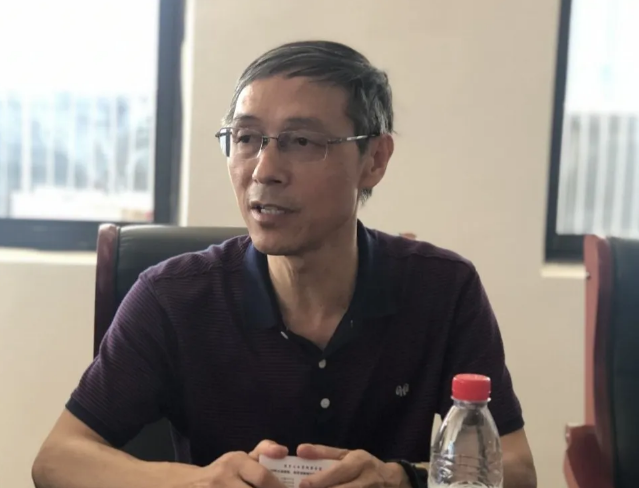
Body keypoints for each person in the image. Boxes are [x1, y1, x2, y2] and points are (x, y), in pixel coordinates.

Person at [32, 40, 537, 488]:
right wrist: (197, 481)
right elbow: (58, 460)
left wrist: (401, 479)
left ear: (375, 160)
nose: (264, 170)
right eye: (246, 138)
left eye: (301, 142)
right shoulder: (174, 297)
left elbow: (515, 469)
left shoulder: (442, 289)